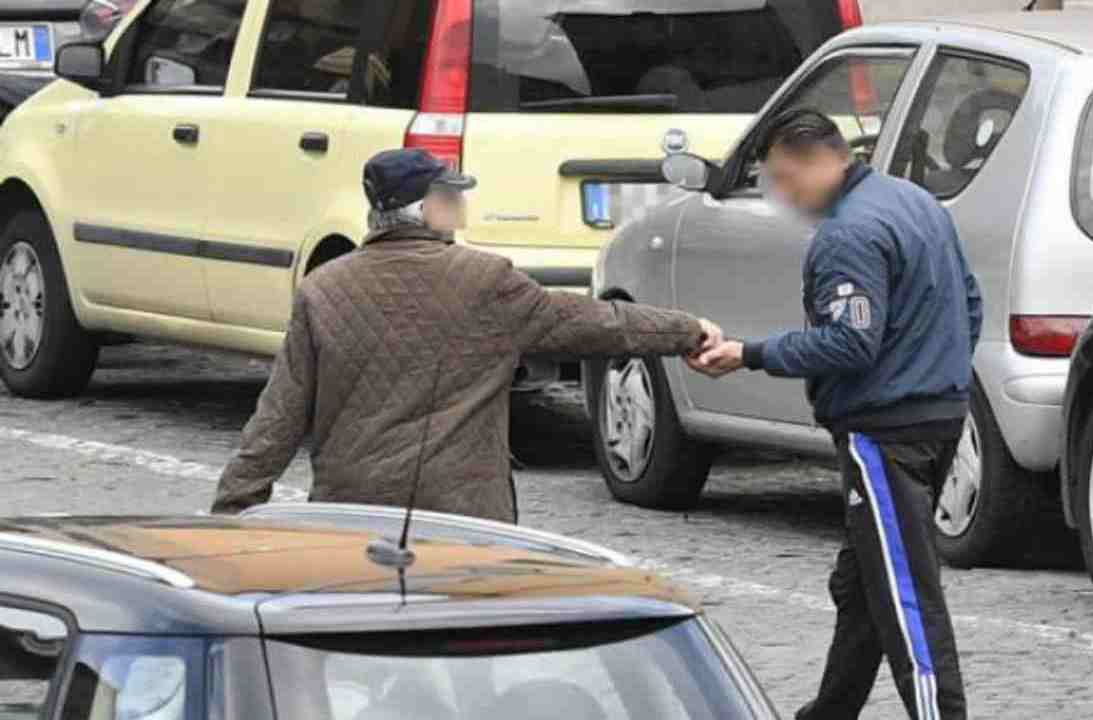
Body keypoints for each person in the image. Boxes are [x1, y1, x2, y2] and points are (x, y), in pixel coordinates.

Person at [212, 149, 720, 521]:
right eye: (451, 196)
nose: (460, 207)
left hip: (353, 513)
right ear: (423, 208)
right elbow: (594, 322)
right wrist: (687, 331)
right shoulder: (485, 281)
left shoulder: (321, 290)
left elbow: (277, 417)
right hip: (463, 515)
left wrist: (231, 511)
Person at [689, 109, 982, 720]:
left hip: (884, 432)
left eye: (783, 180)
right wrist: (935, 370)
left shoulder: (848, 234)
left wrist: (751, 353)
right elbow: (969, 303)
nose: (784, 197)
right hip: (940, 415)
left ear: (810, 162)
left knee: (904, 595)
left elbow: (849, 343)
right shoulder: (915, 202)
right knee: (863, 586)